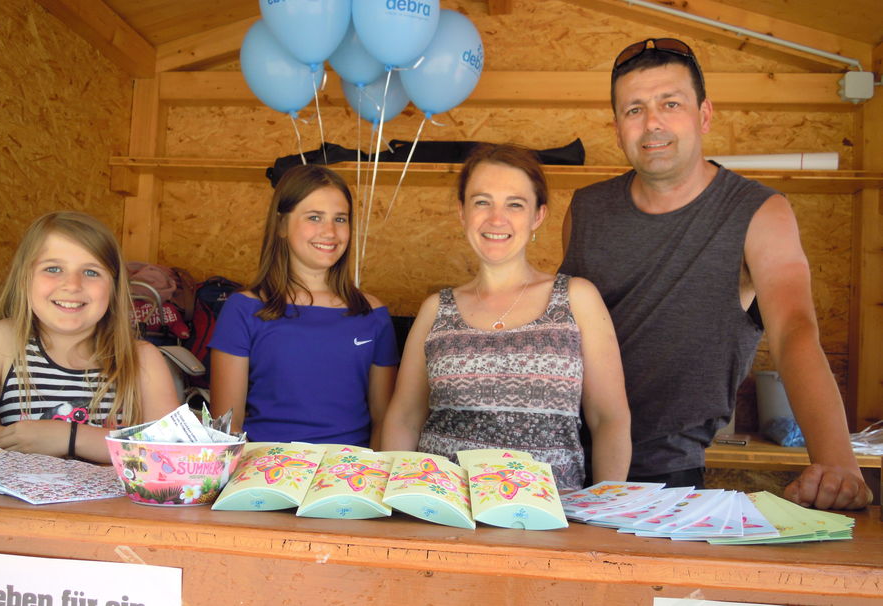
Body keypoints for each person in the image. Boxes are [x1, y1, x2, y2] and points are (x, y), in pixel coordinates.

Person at [559, 37, 871, 509]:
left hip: (666, 478)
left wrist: (838, 463)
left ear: (704, 115)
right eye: (634, 109)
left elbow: (794, 331)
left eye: (670, 103)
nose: (653, 123)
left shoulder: (761, 212)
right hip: (556, 463)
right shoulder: (585, 209)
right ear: (617, 126)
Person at [381, 143, 631, 490]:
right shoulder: (436, 310)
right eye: (482, 202)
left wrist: (607, 506)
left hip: (551, 521)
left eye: (515, 204)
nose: (497, 219)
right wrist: (396, 502)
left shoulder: (576, 299)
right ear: (462, 212)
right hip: (441, 513)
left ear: (538, 216)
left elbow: (609, 419)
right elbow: (405, 418)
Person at [0, 211, 180, 463]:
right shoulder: (6, 341)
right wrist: (18, 440)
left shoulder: (141, 358)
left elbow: (170, 452)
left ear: (114, 288)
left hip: (109, 503)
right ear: (24, 279)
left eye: (91, 272)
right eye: (53, 268)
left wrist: (71, 437)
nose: (72, 285)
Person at [209, 164, 399, 449]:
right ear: (282, 225)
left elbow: (385, 422)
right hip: (265, 472)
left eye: (340, 219)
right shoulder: (243, 308)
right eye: (314, 217)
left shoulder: (373, 314)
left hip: (349, 476)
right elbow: (226, 426)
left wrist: (369, 480)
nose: (330, 232)